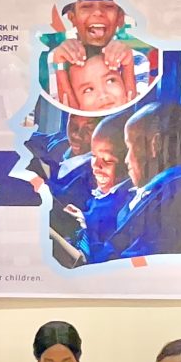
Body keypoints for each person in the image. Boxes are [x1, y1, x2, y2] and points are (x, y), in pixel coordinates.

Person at [88, 102, 181, 263]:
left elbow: (135, 260)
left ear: (156, 145)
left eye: (129, 147)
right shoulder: (158, 190)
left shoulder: (173, 194)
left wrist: (89, 239)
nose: (126, 160)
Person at [47, 0, 152, 106]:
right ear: (72, 18)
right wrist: (60, 65)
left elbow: (134, 109)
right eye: (86, 6)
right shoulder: (58, 57)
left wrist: (128, 65)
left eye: (108, 6)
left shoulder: (137, 59)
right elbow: (65, 110)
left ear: (120, 18)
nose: (98, 12)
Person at [64, 111, 132, 260]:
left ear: (128, 162)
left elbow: (107, 254)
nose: (96, 166)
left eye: (107, 160)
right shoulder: (99, 193)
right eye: (93, 156)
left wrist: (85, 225)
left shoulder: (125, 205)